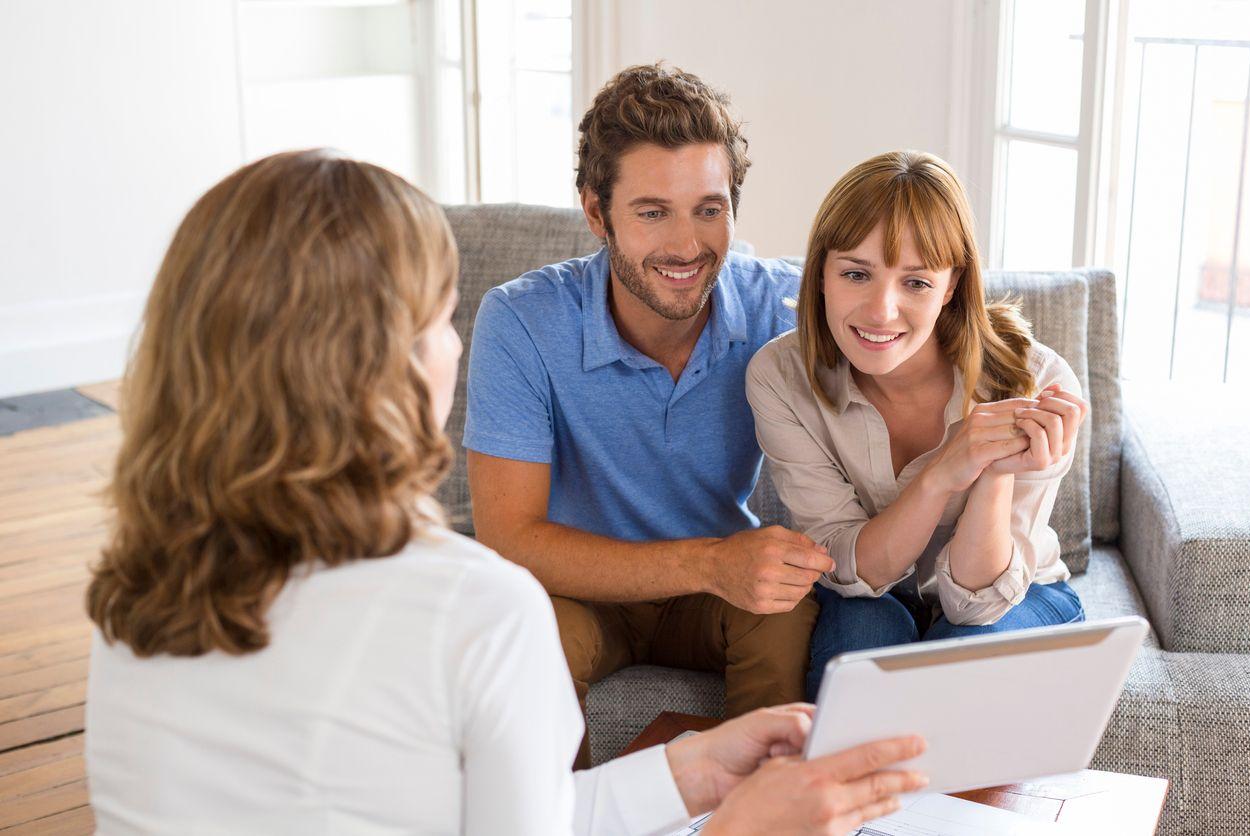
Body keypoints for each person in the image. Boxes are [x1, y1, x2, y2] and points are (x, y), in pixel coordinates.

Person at [84, 149, 928, 835]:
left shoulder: (138, 599)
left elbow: (499, 821)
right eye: (439, 322)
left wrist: (693, 773)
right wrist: (740, 830)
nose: (456, 347)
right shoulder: (476, 611)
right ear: (393, 368)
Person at [464, 64, 830, 768]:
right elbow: (509, 539)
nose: (687, 246)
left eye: (709, 208)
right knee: (518, 637)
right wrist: (710, 562)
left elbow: (911, 326)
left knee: (785, 613)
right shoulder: (522, 320)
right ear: (597, 214)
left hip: (717, 602)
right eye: (652, 211)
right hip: (577, 591)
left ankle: (761, 816)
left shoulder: (780, 307)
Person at [745, 150, 1089, 700]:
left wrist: (995, 472)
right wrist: (943, 474)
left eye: (916, 283)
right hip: (871, 593)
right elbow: (850, 569)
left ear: (952, 286)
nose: (881, 311)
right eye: (856, 274)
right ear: (821, 277)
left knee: (962, 652)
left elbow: (977, 603)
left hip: (1015, 594)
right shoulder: (779, 378)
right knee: (860, 638)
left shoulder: (1038, 381)